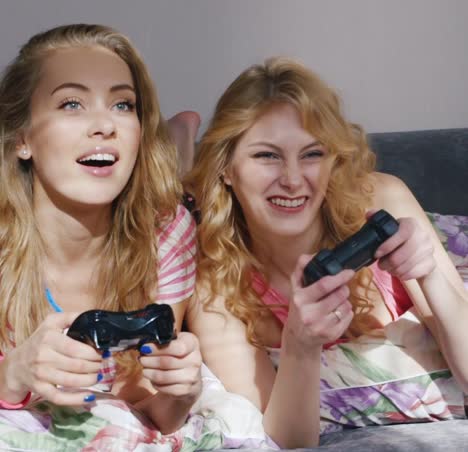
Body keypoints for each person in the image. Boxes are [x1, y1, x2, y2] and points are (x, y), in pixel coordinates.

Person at [185, 57, 468, 448]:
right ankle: (179, 141)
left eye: (312, 154)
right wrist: (301, 345)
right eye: (267, 156)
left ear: (334, 160)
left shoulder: (383, 197)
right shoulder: (213, 280)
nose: (292, 179)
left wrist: (431, 275)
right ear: (227, 168)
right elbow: (285, 441)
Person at [0, 23, 202, 437]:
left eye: (123, 106)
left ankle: (180, 142)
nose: (104, 125)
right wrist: (13, 374)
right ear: (23, 137)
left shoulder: (167, 232)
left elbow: (149, 406)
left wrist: (178, 394)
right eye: (71, 104)